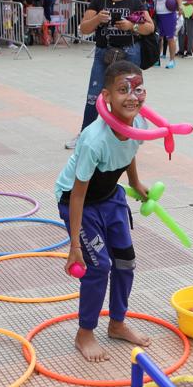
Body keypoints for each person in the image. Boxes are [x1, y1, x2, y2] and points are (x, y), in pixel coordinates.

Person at [56, 60, 153, 362]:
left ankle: (117, 322)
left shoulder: (139, 124)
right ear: (107, 96)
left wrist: (135, 182)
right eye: (123, 89)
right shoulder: (93, 139)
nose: (132, 96)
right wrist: (74, 246)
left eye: (137, 89)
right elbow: (77, 194)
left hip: (111, 196)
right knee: (98, 266)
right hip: (80, 201)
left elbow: (130, 149)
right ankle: (84, 332)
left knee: (126, 262)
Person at [65, 0, 155, 149]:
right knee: (93, 96)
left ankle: (132, 133)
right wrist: (98, 19)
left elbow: (150, 27)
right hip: (104, 54)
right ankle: (85, 136)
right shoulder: (99, 1)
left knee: (132, 95)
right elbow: (83, 28)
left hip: (130, 53)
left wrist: (132, 26)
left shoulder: (135, 2)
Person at [149, 0, 183, 69]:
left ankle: (172, 60)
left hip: (168, 15)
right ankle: (157, 60)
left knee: (170, 37)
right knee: (158, 38)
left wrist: (180, 6)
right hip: (158, 15)